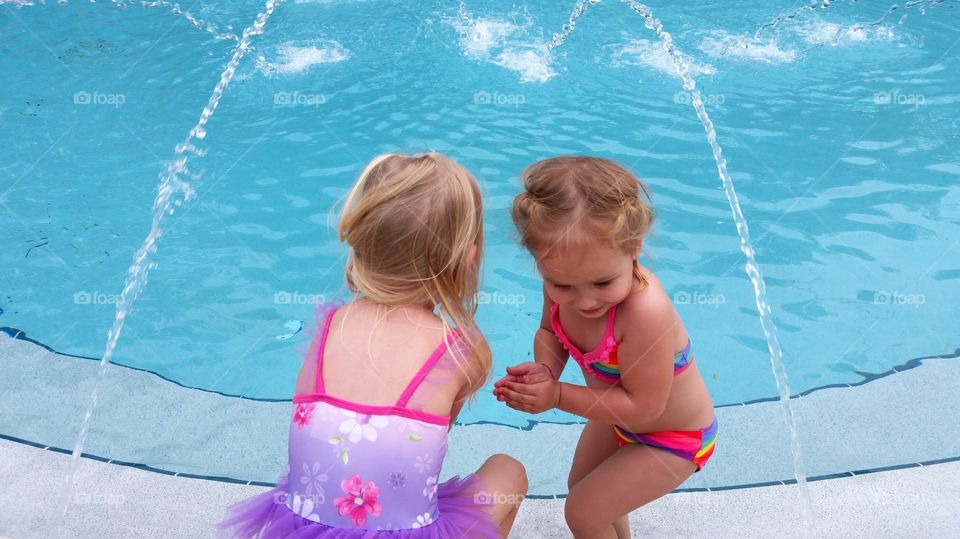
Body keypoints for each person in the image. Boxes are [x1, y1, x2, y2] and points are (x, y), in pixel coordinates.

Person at [220, 152, 527, 538]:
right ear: (468, 258)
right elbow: (425, 438)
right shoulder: (459, 354)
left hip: (303, 529)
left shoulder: (329, 326)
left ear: (362, 244)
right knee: (509, 470)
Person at [493, 156, 716, 539]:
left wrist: (557, 394)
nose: (584, 302)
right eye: (562, 286)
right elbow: (549, 333)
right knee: (585, 490)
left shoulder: (644, 311)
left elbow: (647, 408)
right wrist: (546, 371)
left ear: (635, 248)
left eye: (602, 282)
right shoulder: (563, 278)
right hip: (614, 414)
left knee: (583, 512)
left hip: (672, 435)